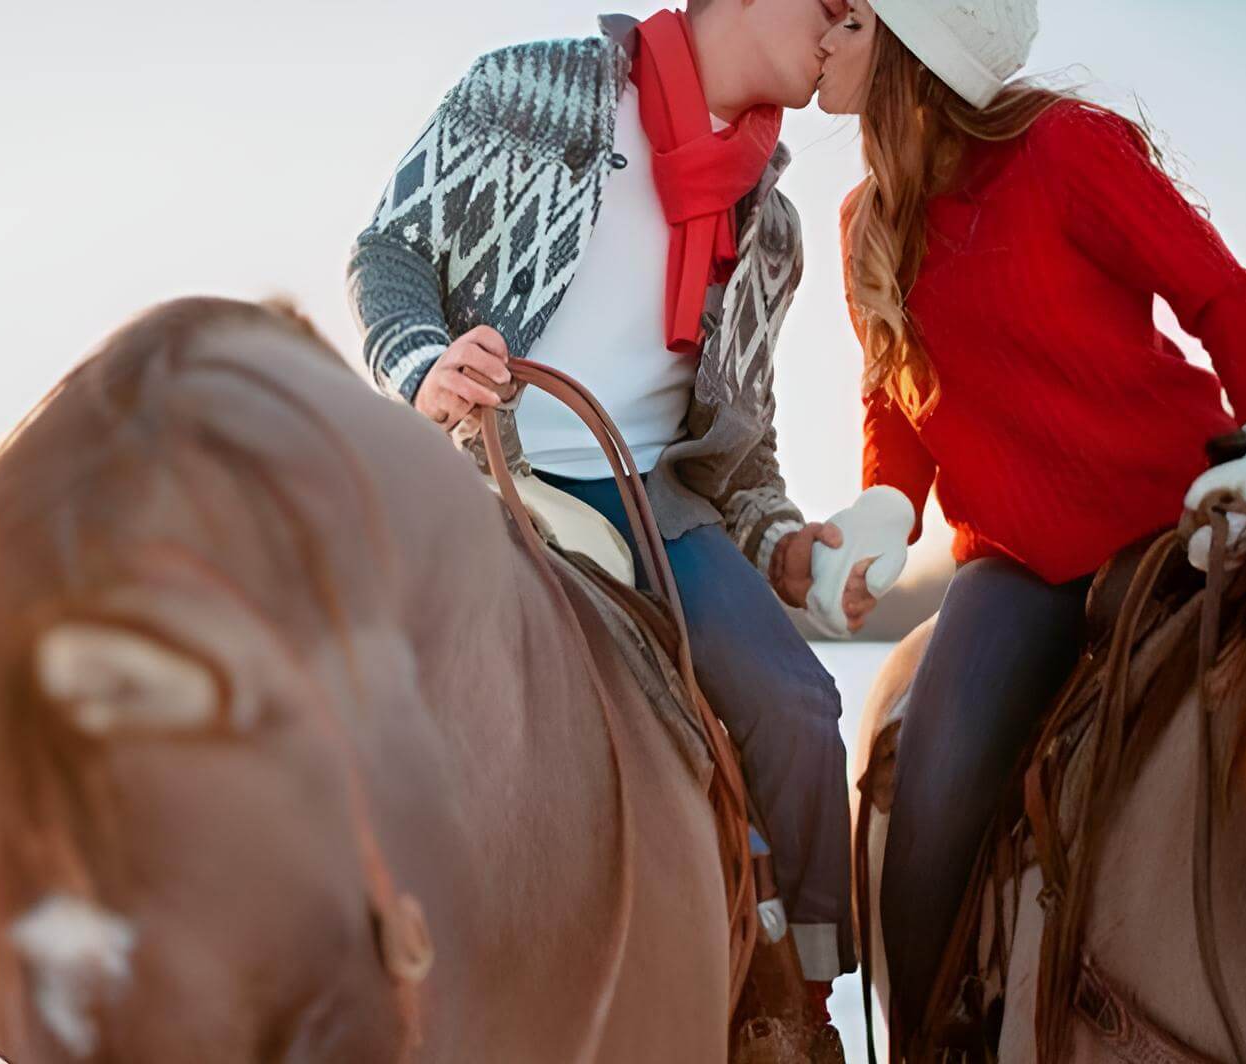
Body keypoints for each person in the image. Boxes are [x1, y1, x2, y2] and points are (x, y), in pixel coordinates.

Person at [807, 0, 1246, 1043]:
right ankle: (928, 1042)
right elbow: (888, 402)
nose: (820, 34)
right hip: (1015, 565)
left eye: (847, 22)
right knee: (928, 808)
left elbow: (1222, 295)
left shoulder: (1064, 149)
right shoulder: (859, 223)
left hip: (1175, 525)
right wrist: (881, 506)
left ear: (907, 47)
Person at [346, 0, 860, 998]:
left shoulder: (774, 230)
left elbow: (740, 456)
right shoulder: (525, 89)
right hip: (483, 476)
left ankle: (794, 995)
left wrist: (785, 544)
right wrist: (422, 361)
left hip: (657, 507)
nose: (842, 31)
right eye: (832, 5)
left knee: (800, 708)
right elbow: (388, 254)